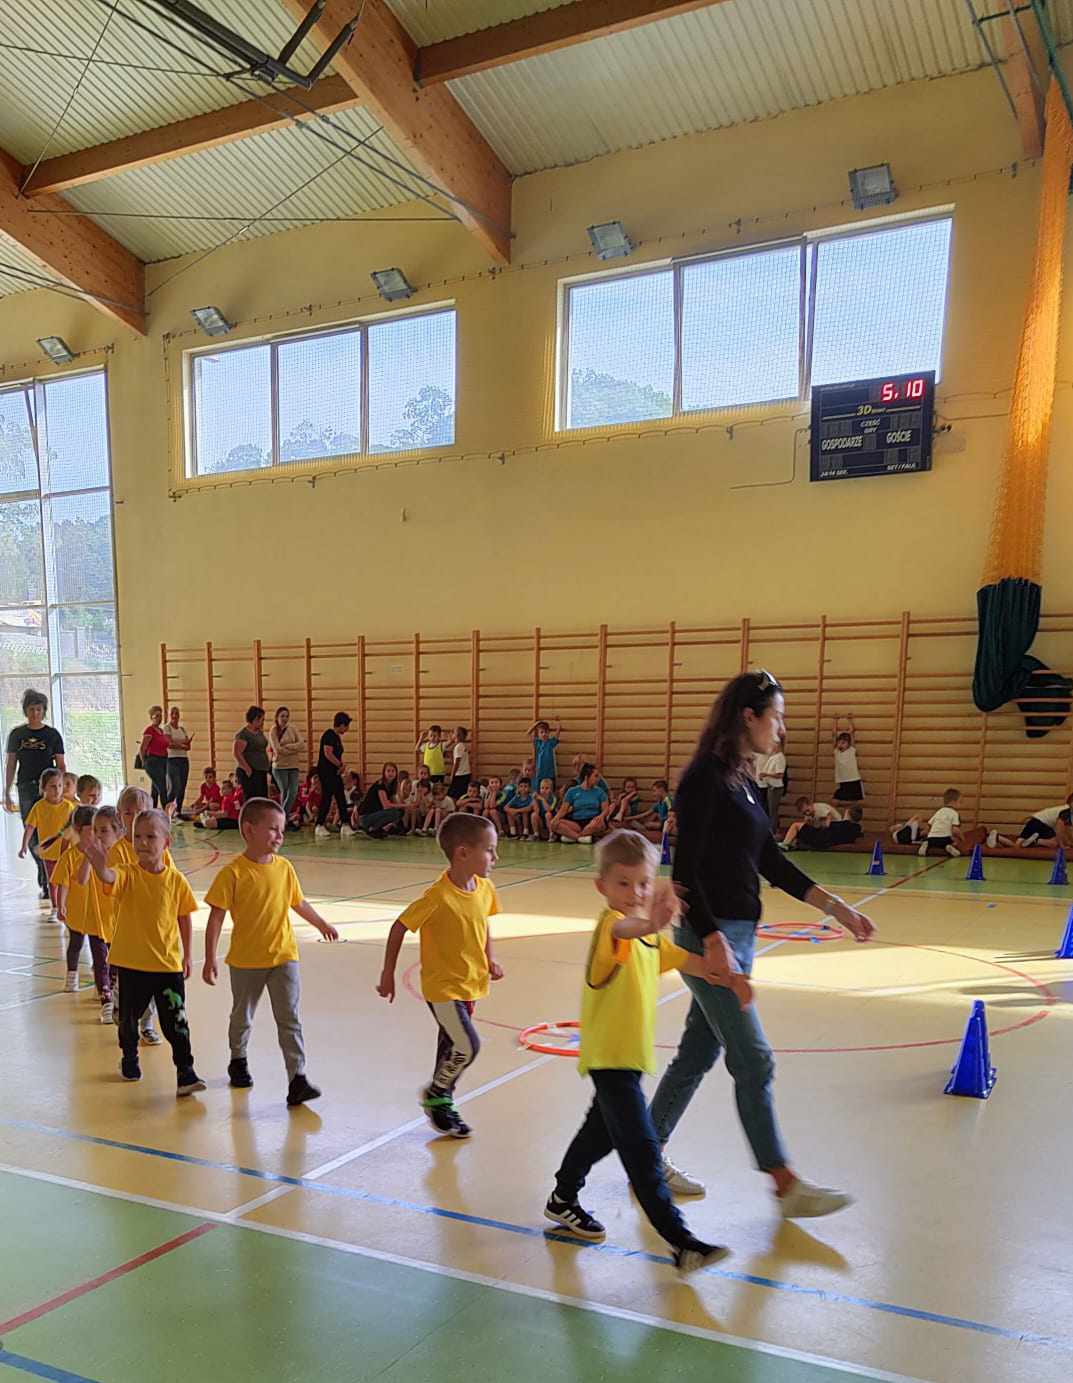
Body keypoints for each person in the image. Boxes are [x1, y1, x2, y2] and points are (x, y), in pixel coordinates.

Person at [647, 670, 875, 1215]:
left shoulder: (744, 779)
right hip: (710, 937)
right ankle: (783, 1182)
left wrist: (836, 907)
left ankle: (644, 1156)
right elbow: (686, 872)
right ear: (748, 716)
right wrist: (710, 940)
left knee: (697, 1053)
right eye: (777, 717)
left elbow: (770, 860)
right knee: (754, 1059)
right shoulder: (704, 777)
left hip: (739, 935)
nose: (782, 728)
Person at [545, 830, 746, 1270]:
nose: (635, 893)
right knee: (642, 1151)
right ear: (601, 886)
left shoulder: (651, 941)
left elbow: (691, 963)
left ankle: (562, 1198)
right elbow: (627, 927)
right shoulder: (611, 928)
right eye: (623, 883)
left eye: (643, 883)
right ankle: (682, 1243)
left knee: (597, 1136)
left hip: (628, 1061)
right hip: (610, 1061)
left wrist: (731, 977)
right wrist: (652, 922)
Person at [203, 797, 339, 1105]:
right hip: (246, 961)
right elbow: (216, 917)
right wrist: (210, 957)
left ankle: (297, 1078)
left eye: (282, 830)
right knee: (243, 1015)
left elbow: (298, 902)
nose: (280, 836)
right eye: (273, 829)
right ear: (249, 830)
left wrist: (321, 923)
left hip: (284, 956)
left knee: (289, 1018)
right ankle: (238, 1059)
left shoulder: (284, 868)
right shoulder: (233, 873)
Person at [377, 813, 503, 1138]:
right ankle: (436, 1091)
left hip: (470, 984)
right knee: (468, 1045)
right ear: (463, 853)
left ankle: (442, 1104)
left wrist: (489, 958)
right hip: (442, 988)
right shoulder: (438, 897)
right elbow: (399, 927)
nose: (496, 857)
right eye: (490, 850)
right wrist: (388, 972)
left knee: (451, 1047)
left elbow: (484, 923)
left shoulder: (485, 888)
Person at [81, 808, 205, 1095]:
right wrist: (98, 866)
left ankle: (186, 1072)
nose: (143, 843)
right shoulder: (127, 873)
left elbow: (184, 917)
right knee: (128, 1019)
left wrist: (187, 955)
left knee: (177, 1022)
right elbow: (109, 876)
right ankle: (129, 1058)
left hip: (167, 966)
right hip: (132, 964)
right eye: (137, 837)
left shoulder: (176, 880)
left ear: (166, 842)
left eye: (151, 837)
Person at [4, 688, 66, 899]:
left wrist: (62, 789)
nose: (35, 713)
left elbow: (61, 764)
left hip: (49, 787)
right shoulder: (17, 735)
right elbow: (11, 764)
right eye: (31, 709)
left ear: (44, 711)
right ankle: (43, 869)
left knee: (52, 830)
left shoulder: (52, 735)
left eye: (39, 709)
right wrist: (7, 791)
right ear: (25, 711)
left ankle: (52, 876)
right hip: (26, 787)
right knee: (31, 831)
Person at [54, 806, 112, 1008]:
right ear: (78, 830)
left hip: (98, 915)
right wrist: (61, 905)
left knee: (101, 953)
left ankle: (101, 987)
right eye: (92, 830)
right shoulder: (70, 857)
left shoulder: (105, 853)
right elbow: (64, 883)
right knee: (76, 944)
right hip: (77, 913)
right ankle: (72, 975)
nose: (96, 834)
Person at [19, 768, 73, 921]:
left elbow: (75, 827)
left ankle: (66, 906)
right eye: (52, 786)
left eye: (60, 786)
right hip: (48, 854)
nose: (57, 790)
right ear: (43, 788)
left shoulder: (69, 807)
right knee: (53, 882)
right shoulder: (39, 807)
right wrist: (24, 845)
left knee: (66, 881)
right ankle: (56, 908)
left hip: (66, 853)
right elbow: (30, 827)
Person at [551, 763, 611, 843]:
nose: (598, 779)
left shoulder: (600, 792)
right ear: (586, 777)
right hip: (576, 823)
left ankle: (572, 837)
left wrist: (601, 816)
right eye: (595, 776)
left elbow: (606, 809)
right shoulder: (572, 791)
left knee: (599, 824)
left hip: (593, 821)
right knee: (554, 824)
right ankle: (581, 838)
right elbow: (563, 810)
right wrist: (555, 819)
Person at [315, 713, 353, 839]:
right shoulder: (329, 735)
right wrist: (340, 764)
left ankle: (345, 824)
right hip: (326, 772)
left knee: (340, 797)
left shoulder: (336, 737)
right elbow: (328, 753)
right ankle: (319, 824)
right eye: (346, 726)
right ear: (341, 725)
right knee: (327, 797)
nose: (347, 729)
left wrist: (340, 768)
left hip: (334, 772)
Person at [268, 706, 304, 827]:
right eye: (282, 716)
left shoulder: (293, 729)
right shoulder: (273, 730)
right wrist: (293, 749)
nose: (285, 718)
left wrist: (288, 747)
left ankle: (281, 818)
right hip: (279, 766)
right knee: (285, 791)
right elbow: (277, 749)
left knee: (293, 791)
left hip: (293, 765)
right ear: (277, 717)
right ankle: (283, 820)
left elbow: (301, 744)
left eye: (287, 716)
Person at [233, 706, 271, 803]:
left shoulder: (259, 732)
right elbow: (237, 753)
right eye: (262, 720)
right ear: (255, 719)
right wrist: (247, 769)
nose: (263, 722)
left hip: (261, 771)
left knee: (262, 800)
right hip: (251, 772)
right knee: (252, 800)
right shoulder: (244, 735)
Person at [357, 762, 404, 838]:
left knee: (400, 811)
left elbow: (395, 802)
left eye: (393, 771)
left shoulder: (391, 786)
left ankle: (381, 829)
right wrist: (407, 805)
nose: (390, 773)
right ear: (384, 772)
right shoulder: (380, 785)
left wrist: (404, 806)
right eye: (388, 771)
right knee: (394, 813)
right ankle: (372, 829)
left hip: (376, 814)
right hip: (365, 817)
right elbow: (386, 806)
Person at [139, 706, 171, 809]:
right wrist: (144, 762)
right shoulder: (149, 730)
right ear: (151, 718)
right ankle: (166, 812)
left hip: (163, 761)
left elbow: (168, 744)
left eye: (160, 716)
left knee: (155, 789)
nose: (159, 718)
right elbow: (142, 748)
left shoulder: (161, 731)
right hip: (153, 761)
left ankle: (152, 811)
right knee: (162, 787)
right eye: (156, 716)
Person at [919, 788, 966, 857]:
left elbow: (928, 826)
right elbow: (955, 830)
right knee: (954, 841)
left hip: (931, 838)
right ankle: (948, 847)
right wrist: (963, 838)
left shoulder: (939, 811)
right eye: (960, 802)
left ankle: (927, 844)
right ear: (953, 802)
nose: (961, 804)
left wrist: (921, 834)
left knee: (931, 841)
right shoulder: (954, 813)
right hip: (945, 839)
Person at [164, 706, 193, 816]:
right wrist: (181, 744)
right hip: (172, 759)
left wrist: (182, 744)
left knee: (182, 787)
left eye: (177, 713)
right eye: (172, 713)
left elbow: (188, 746)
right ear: (169, 715)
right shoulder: (167, 728)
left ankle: (178, 811)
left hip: (183, 759)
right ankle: (167, 811)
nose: (175, 715)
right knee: (174, 786)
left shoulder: (182, 729)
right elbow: (169, 744)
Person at [832, 716, 864, 808]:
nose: (841, 744)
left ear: (848, 744)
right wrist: (835, 720)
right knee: (834, 802)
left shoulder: (851, 750)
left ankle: (850, 812)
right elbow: (834, 734)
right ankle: (847, 808)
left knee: (855, 804)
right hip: (843, 781)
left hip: (853, 780)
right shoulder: (836, 751)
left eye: (843, 743)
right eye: (839, 742)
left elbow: (851, 732)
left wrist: (850, 720)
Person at [755, 735, 787, 830]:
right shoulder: (774, 756)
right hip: (771, 786)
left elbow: (780, 774)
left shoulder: (779, 757)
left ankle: (773, 830)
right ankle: (771, 829)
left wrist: (766, 774)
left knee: (772, 811)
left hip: (775, 787)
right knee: (770, 810)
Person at [528, 718, 561, 790]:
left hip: (550, 772)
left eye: (546, 732)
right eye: (541, 732)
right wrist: (536, 724)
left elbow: (557, 735)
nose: (544, 734)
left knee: (551, 789)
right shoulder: (538, 742)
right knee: (540, 789)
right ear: (538, 734)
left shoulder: (551, 742)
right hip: (540, 772)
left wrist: (558, 724)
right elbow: (528, 733)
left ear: (548, 733)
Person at [448, 726, 472, 800]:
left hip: (460, 775)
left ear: (457, 736)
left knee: (453, 796)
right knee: (460, 795)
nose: (452, 735)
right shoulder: (462, 746)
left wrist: (452, 775)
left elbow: (457, 763)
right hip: (465, 774)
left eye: (453, 733)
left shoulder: (458, 747)